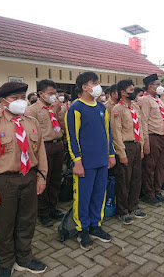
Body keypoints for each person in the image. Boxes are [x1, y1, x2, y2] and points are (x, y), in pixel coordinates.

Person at [0, 81, 48, 276]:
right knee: (4, 224)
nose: (20, 102)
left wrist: (42, 177)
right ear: (2, 101)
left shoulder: (31, 122)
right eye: (14, 98)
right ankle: (6, 261)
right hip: (5, 181)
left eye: (22, 98)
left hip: (29, 177)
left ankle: (24, 257)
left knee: (27, 221)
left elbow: (41, 152)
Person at [65, 71, 115, 250]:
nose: (98, 86)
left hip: (102, 160)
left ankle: (96, 226)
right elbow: (72, 137)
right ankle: (82, 230)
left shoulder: (102, 108)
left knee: (99, 195)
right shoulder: (75, 108)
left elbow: (107, 133)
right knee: (83, 198)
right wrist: (77, 161)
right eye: (95, 83)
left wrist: (111, 154)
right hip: (85, 163)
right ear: (84, 87)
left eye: (98, 82)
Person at [27, 80, 66, 227]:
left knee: (56, 179)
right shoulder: (33, 110)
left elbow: (62, 126)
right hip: (44, 147)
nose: (53, 96)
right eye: (50, 93)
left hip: (58, 145)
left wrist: (56, 112)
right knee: (44, 179)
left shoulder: (57, 108)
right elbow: (31, 133)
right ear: (41, 94)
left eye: (54, 93)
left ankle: (53, 207)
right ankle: (43, 212)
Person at [111, 79, 146, 225]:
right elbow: (116, 133)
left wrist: (142, 146)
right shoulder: (117, 109)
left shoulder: (135, 108)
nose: (134, 93)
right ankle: (123, 211)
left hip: (136, 146)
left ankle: (134, 206)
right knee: (124, 180)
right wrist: (122, 153)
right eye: (131, 90)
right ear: (123, 92)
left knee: (136, 178)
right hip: (125, 146)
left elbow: (140, 128)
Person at [138, 73, 164, 205]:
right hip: (152, 136)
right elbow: (143, 122)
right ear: (150, 86)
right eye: (157, 84)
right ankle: (149, 193)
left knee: (161, 166)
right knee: (150, 167)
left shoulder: (158, 100)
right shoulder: (144, 100)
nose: (160, 87)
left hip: (162, 136)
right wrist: (145, 142)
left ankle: (157, 190)